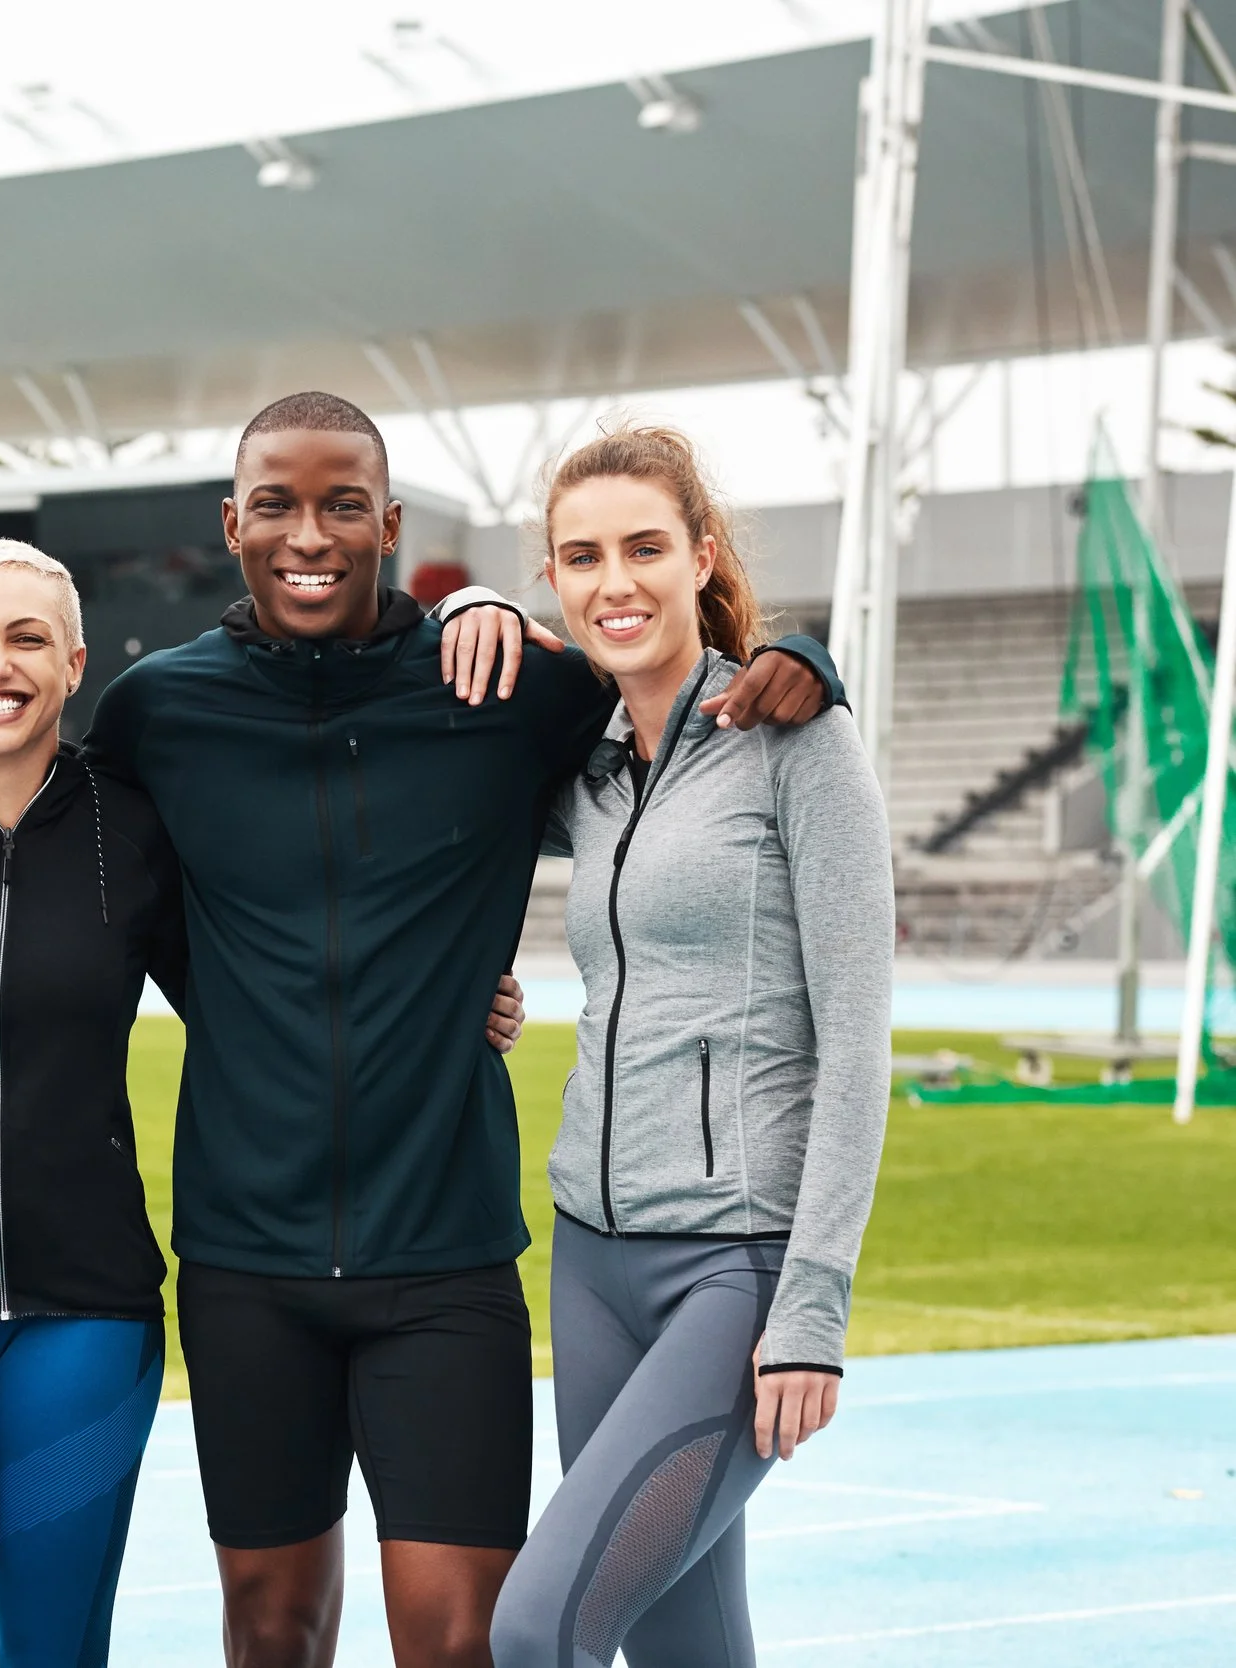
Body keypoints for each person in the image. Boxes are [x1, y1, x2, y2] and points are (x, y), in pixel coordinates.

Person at [0, 392, 844, 1668]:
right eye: (275, 503)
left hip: (444, 1259)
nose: (306, 532)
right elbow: (35, 790)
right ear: (231, 523)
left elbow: (660, 678)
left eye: (339, 504)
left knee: (457, 1637)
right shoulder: (162, 711)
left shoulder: (506, 687)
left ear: (389, 522)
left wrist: (805, 656)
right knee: (269, 1632)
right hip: (243, 1262)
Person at [0, 540, 528, 1668]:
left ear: (75, 661)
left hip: (87, 1326)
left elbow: (277, 980)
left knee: (55, 1655)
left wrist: (450, 993)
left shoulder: (133, 827)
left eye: (27, 637)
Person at [485, 427, 891, 1668]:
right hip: (594, 1261)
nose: (614, 581)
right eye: (579, 557)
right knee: (684, 1650)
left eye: (644, 547)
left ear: (699, 555)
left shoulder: (795, 743)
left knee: (540, 1628)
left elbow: (859, 1039)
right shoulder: (590, 772)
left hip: (736, 1268)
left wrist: (811, 1311)